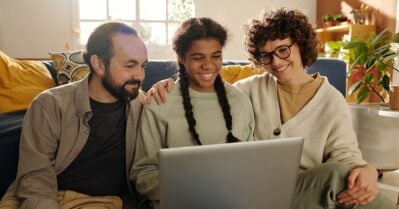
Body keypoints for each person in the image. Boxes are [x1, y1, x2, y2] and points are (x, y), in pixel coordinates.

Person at [147, 8, 397, 209]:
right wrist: (169, 84)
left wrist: (367, 170)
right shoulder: (248, 89)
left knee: (342, 177)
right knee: (337, 178)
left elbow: (346, 156)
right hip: (255, 191)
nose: (276, 62)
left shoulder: (332, 100)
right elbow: (207, 82)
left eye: (283, 50)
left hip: (306, 194)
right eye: (266, 56)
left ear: (300, 45)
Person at [0, 22, 148, 209]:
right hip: (47, 196)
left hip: (104, 203)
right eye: (130, 65)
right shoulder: (49, 104)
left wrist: (167, 85)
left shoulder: (141, 103)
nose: (140, 76)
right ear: (99, 64)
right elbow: (35, 178)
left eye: (143, 66)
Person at [130, 17, 255, 209]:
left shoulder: (240, 101)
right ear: (181, 57)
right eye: (198, 57)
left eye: (216, 56)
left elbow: (251, 163)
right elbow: (143, 172)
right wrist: (190, 194)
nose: (208, 65)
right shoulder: (160, 102)